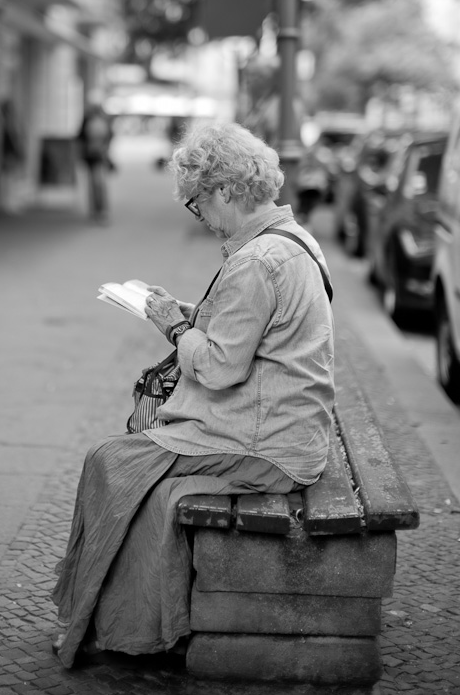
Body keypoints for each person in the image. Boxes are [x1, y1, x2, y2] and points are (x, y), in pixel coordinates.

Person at [51, 122, 335, 667]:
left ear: (226, 190)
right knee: (142, 482)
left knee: (111, 462)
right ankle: (120, 625)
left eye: (197, 201)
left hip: (265, 442)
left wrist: (174, 328)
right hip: (284, 431)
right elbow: (245, 330)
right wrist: (190, 313)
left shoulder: (255, 260)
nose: (198, 215)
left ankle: (111, 627)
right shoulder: (290, 241)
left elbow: (222, 367)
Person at [76, 94, 114, 222]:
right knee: (92, 184)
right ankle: (94, 210)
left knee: (99, 183)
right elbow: (80, 137)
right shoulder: (87, 121)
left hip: (100, 156)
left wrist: (105, 149)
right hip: (90, 156)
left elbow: (110, 137)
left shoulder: (104, 121)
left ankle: (102, 210)